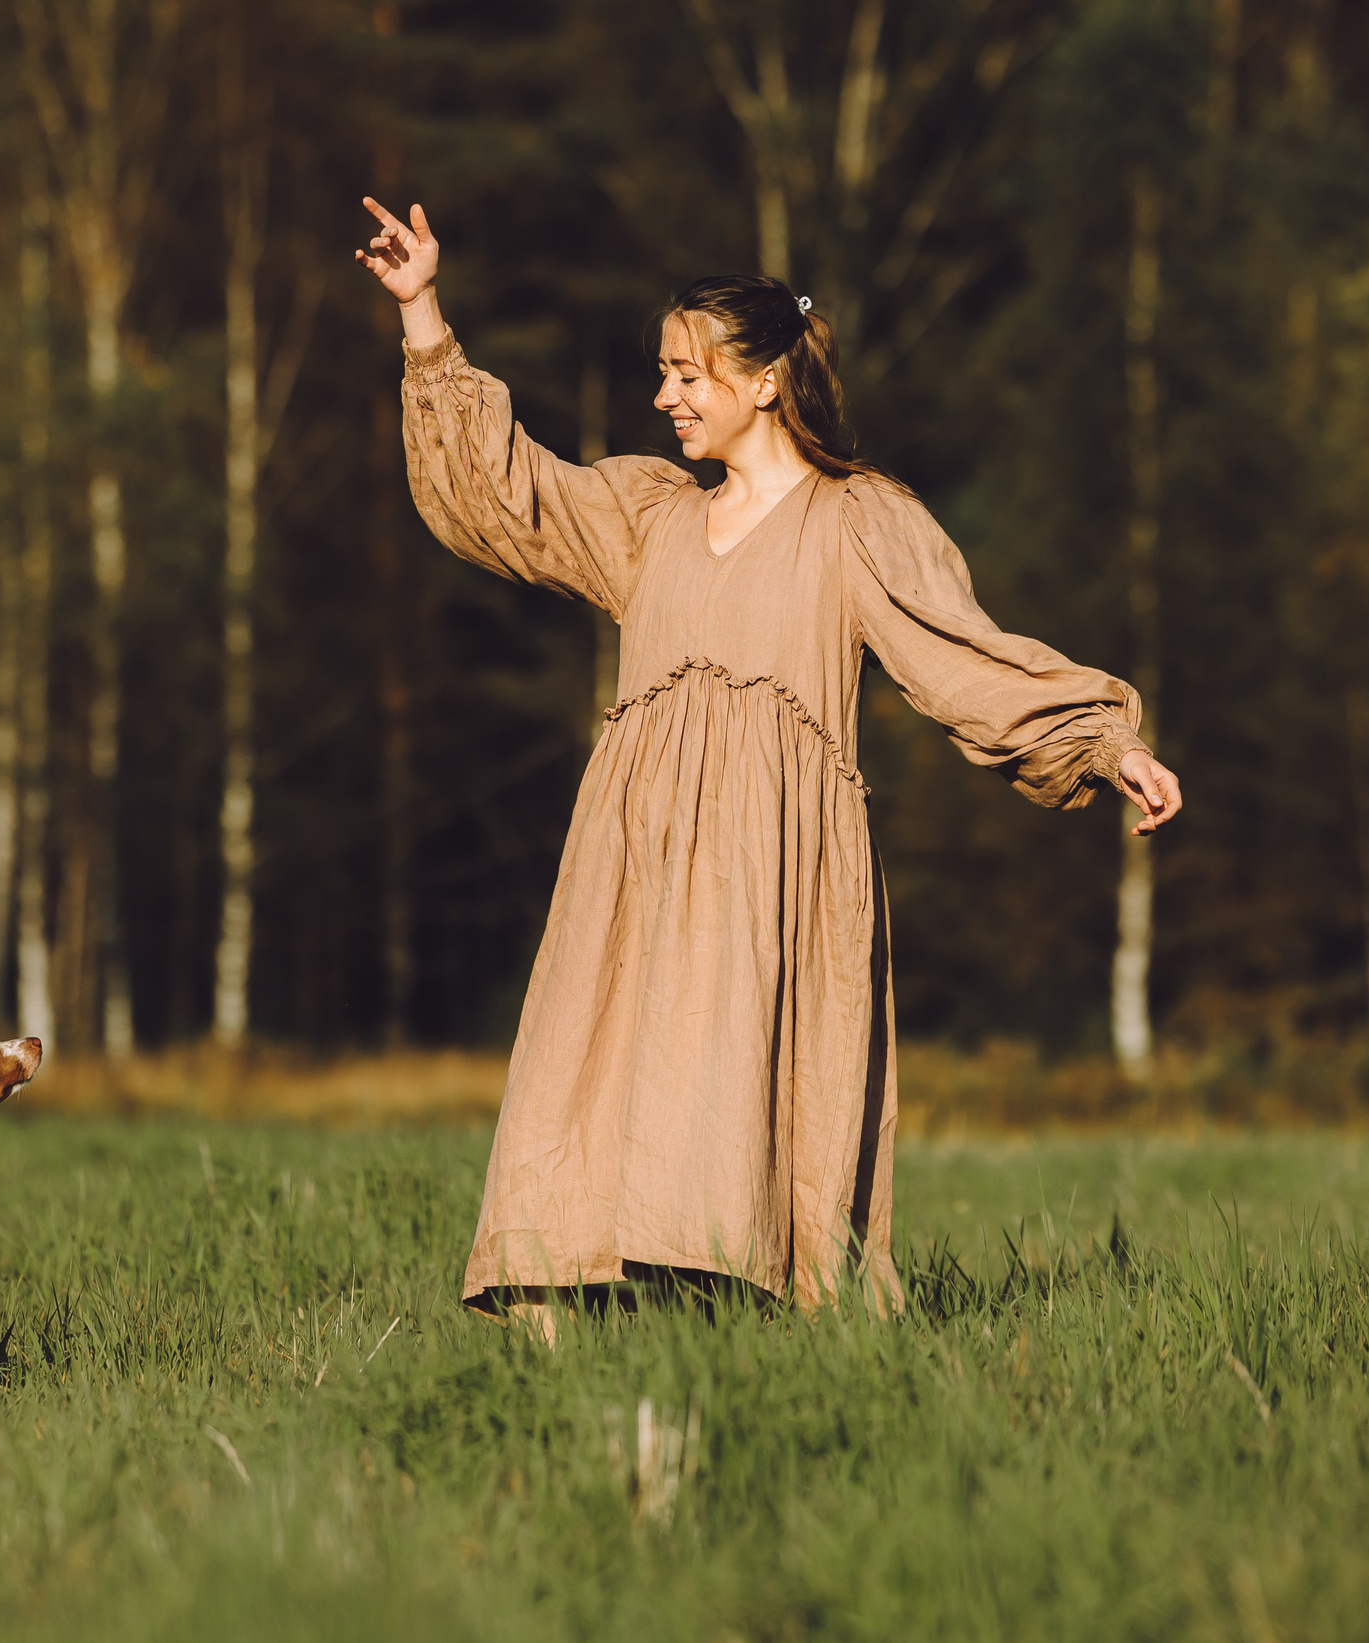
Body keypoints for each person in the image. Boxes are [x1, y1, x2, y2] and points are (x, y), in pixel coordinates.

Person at [355, 198, 1182, 1339]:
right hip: (629, 866)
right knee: (579, 1083)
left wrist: (1106, 741)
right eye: (661, 374)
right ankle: (560, 1373)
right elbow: (507, 497)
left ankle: (738, 1350)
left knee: (731, 1104)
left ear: (762, 382)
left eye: (686, 375)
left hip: (769, 874)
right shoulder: (648, 517)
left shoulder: (858, 523)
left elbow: (964, 660)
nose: (664, 397)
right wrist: (423, 319)